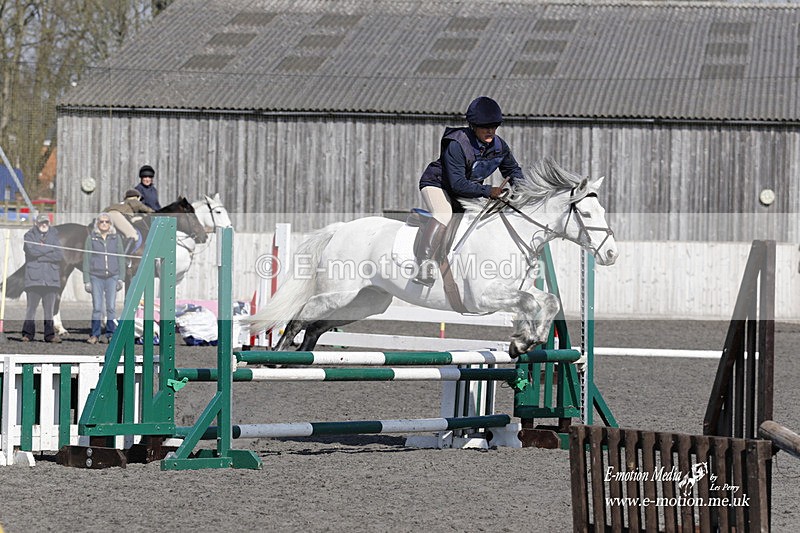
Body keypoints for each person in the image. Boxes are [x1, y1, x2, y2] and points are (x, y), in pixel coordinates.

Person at [414, 96, 524, 286]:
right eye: (484, 127)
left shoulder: (499, 146)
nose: (490, 131)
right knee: (444, 213)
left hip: (465, 190)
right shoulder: (457, 144)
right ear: (473, 126)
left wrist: (523, 190)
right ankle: (424, 265)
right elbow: (457, 184)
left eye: (493, 126)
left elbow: (513, 170)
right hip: (437, 184)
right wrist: (488, 190)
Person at [82, 213, 126, 344]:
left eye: (107, 222)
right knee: (97, 307)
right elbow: (86, 259)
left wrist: (121, 278)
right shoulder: (91, 239)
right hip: (96, 277)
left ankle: (110, 334)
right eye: (101, 222)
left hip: (112, 276)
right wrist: (86, 280)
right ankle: (95, 334)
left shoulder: (116, 238)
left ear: (110, 224)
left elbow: (121, 258)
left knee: (111, 307)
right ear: (97, 224)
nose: (104, 224)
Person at [21, 214, 63, 343]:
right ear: (36, 223)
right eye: (41, 222)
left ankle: (49, 335)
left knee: (49, 310)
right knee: (31, 309)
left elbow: (59, 255)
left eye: (45, 222)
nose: (43, 225)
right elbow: (31, 252)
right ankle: (28, 334)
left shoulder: (55, 236)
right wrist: (49, 250)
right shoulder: (29, 236)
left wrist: (41, 253)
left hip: (51, 279)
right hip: (34, 278)